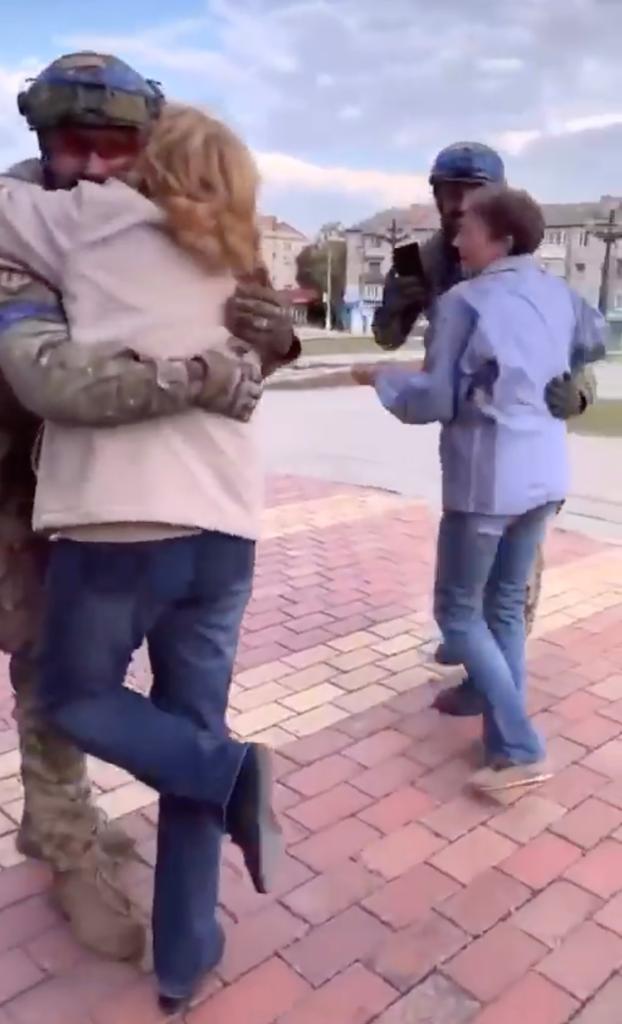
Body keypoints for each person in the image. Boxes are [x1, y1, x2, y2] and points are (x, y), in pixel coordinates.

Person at [0, 52, 299, 962]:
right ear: (40, 140)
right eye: (70, 144)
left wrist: (267, 337)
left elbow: (245, 322)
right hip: (23, 490)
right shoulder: (33, 223)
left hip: (122, 502)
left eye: (113, 145)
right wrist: (204, 373)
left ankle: (78, 829)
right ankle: (63, 845)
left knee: (81, 686)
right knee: (49, 685)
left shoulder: (159, 215)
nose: (91, 164)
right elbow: (50, 375)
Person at [355, 185, 605, 791]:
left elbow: (433, 400)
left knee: (458, 614)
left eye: (467, 228)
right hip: (545, 475)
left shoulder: (464, 303)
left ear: (503, 238)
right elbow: (596, 338)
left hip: (487, 482)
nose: (456, 238)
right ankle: (502, 742)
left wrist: (381, 379)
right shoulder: (560, 295)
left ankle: (520, 746)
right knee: (502, 611)